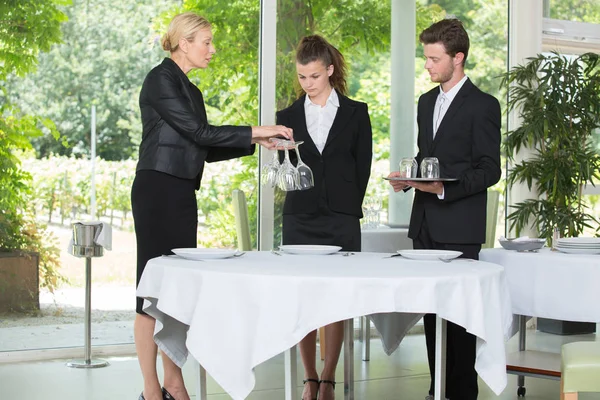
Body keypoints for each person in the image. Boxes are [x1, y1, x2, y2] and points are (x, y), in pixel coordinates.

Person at [132, 11, 293, 400]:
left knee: (176, 290)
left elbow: (202, 147)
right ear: (184, 43)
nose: (212, 49)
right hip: (157, 190)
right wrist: (258, 130)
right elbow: (198, 131)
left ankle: (174, 382)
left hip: (182, 192)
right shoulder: (161, 79)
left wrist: (256, 142)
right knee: (150, 291)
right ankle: (152, 390)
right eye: (206, 41)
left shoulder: (192, 90)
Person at [388, 19, 501, 400]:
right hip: (425, 225)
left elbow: (490, 169)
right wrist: (410, 177)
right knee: (433, 315)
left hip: (460, 227)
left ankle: (463, 393)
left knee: (461, 320)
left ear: (458, 58)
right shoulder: (425, 102)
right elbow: (427, 157)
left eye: (434, 59)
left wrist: (443, 189)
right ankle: (438, 391)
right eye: (426, 58)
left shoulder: (484, 105)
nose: (427, 66)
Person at [276, 35, 373, 400]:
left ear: (329, 70)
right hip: (299, 216)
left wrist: (346, 206)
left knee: (337, 298)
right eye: (302, 77)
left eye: (314, 76)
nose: (308, 84)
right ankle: (309, 377)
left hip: (341, 218)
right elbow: (283, 168)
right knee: (302, 299)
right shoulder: (285, 118)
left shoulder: (356, 112)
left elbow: (362, 166)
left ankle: (329, 377)